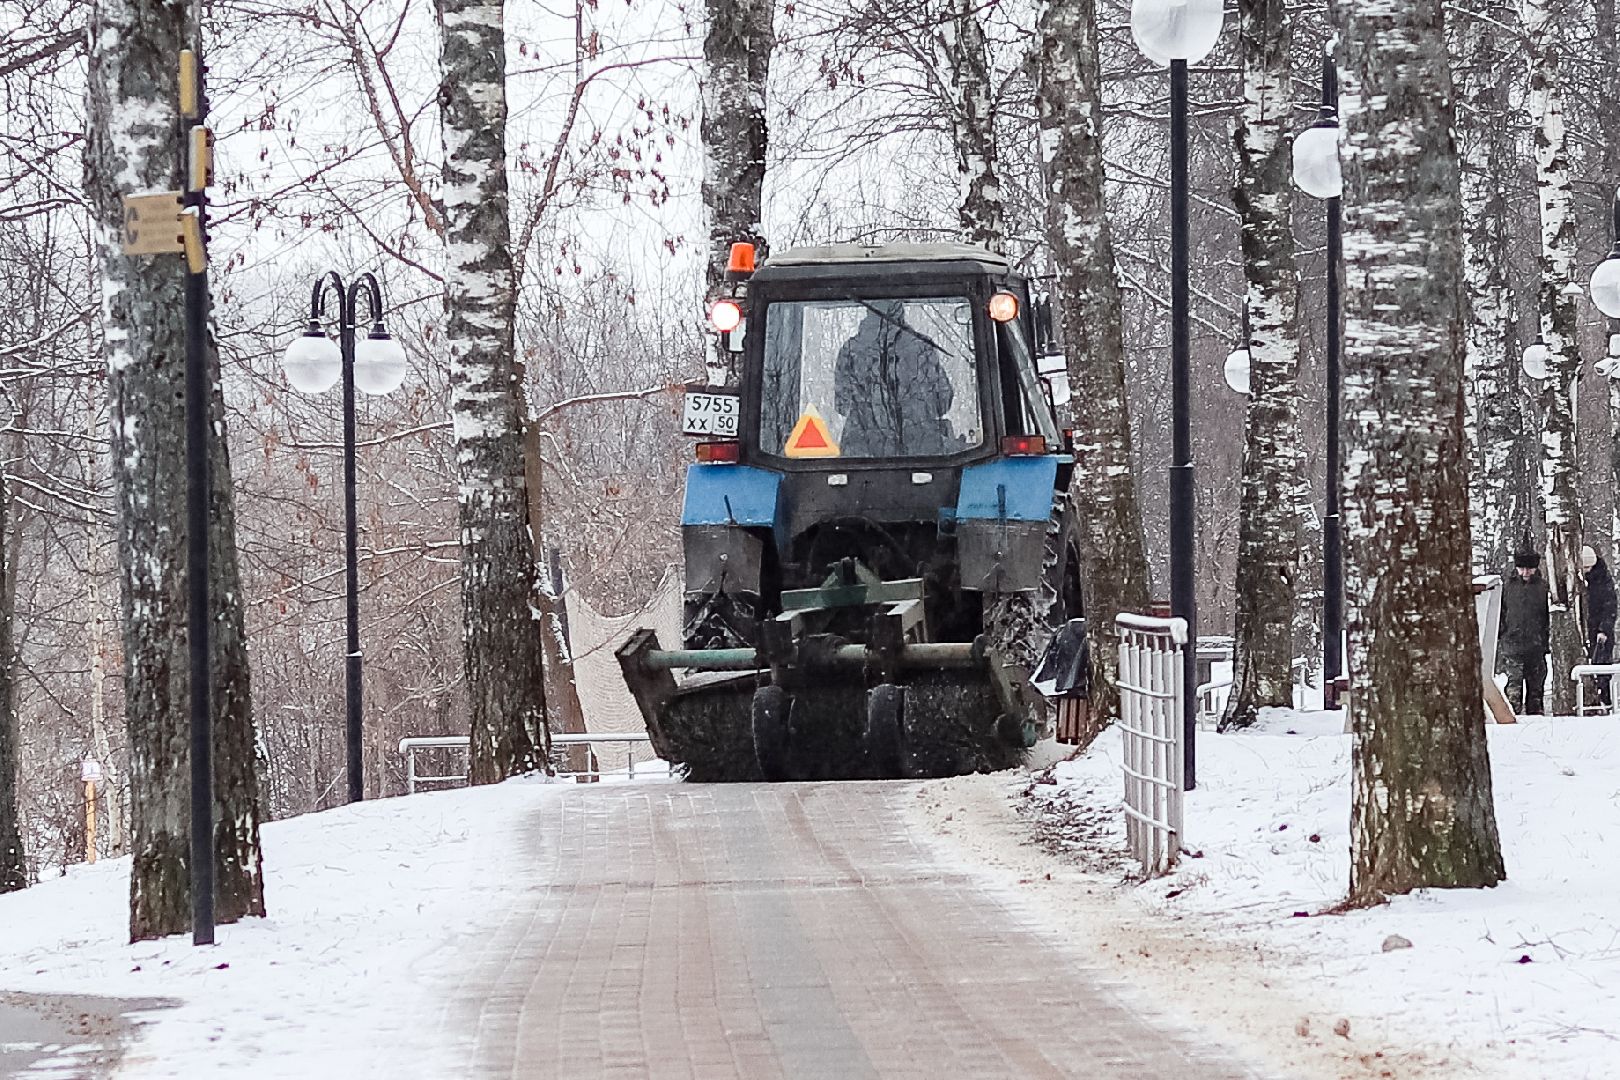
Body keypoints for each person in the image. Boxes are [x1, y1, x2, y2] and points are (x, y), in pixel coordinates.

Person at [833, 302, 955, 457]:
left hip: (862, 454)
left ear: (869, 312)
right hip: (921, 454)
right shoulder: (922, 347)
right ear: (900, 312)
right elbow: (943, 400)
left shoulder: (849, 350)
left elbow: (841, 404)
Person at [1500, 546, 1550, 715]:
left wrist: (1545, 639)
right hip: (1512, 644)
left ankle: (1536, 718)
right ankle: (1512, 718)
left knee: (1535, 689)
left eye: (1529, 568)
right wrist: (1502, 633)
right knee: (1513, 685)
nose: (1526, 572)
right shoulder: (1507, 586)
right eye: (1522, 568)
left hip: (1536, 645)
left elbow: (1546, 615)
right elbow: (1502, 611)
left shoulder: (1543, 588)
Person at [1582, 544, 1617, 707]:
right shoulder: (1582, 583)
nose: (1586, 570)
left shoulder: (1604, 582)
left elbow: (1610, 607)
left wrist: (1604, 629)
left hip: (1600, 633)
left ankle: (1605, 701)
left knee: (1602, 669)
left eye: (1588, 567)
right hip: (1587, 630)